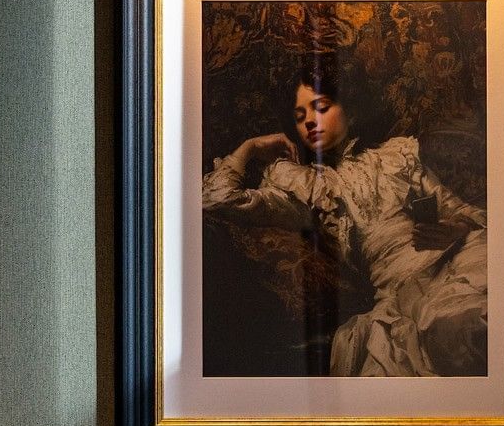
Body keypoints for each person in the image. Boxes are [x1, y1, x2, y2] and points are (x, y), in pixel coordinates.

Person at [203, 57, 488, 377]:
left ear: (350, 110)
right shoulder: (302, 185)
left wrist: (456, 227)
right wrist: (250, 147)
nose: (309, 122)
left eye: (320, 107)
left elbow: (464, 211)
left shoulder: (396, 155)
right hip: (402, 290)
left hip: (461, 257)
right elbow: (218, 200)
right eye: (299, 117)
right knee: (451, 328)